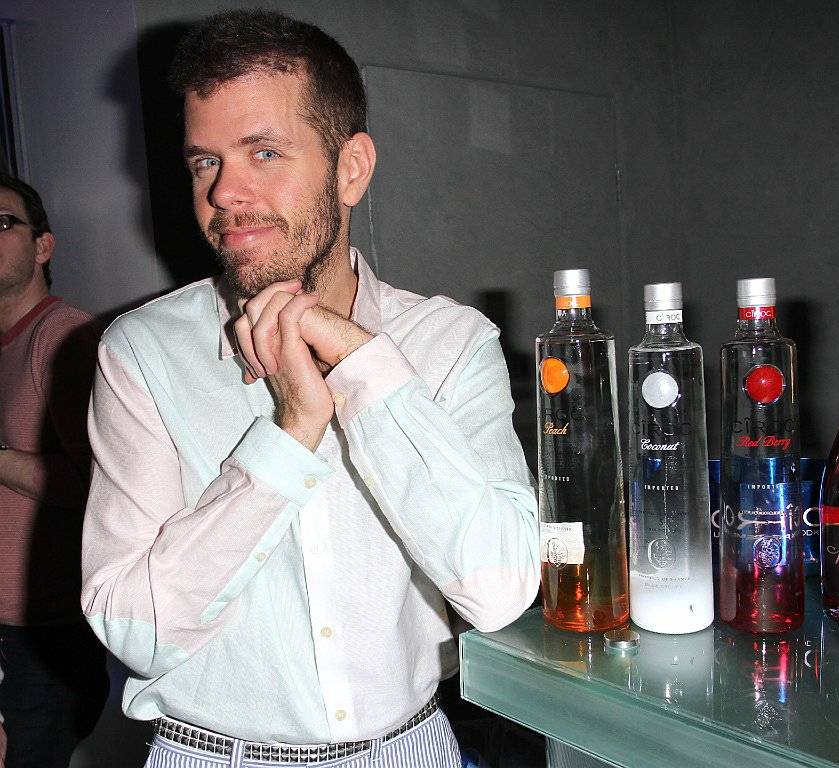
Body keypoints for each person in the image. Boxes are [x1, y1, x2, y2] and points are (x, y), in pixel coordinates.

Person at [81, 9, 539, 767]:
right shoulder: (141, 353)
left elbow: (499, 590)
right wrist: (290, 435)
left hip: (411, 749)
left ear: (351, 168)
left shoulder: (450, 344)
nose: (225, 192)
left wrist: (366, 368)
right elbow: (136, 630)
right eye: (205, 162)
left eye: (264, 153)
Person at [0, 172, 108, 768]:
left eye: (3, 223)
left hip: (43, 634)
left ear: (43, 246)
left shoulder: (64, 337)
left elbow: (100, 484)